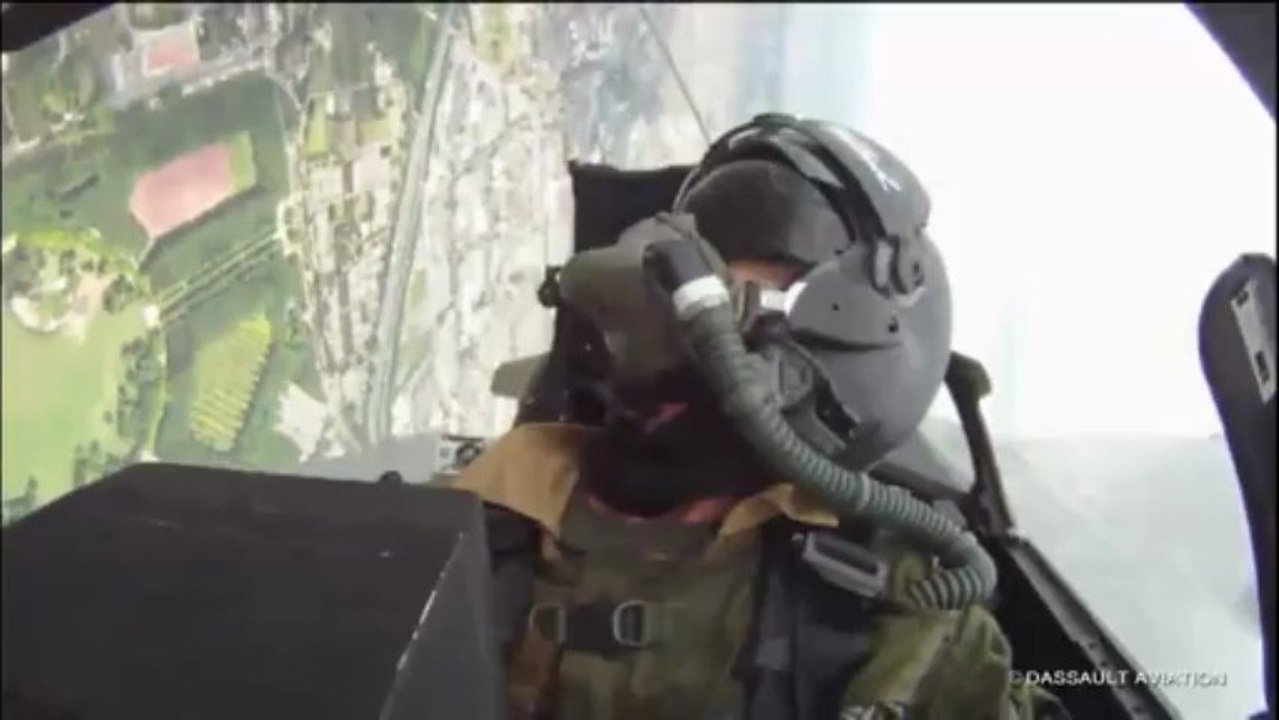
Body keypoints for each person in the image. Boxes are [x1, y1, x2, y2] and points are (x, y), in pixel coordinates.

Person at [457, 115, 1067, 720]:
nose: (655, 338)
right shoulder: (521, 482)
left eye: (723, 312)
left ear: (818, 367)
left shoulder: (896, 612)